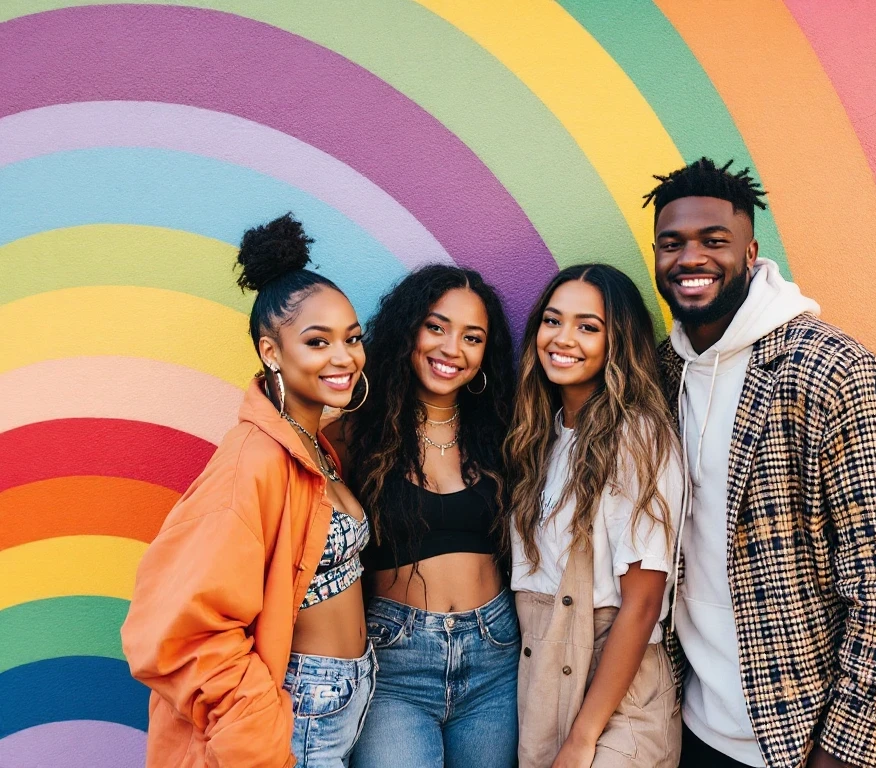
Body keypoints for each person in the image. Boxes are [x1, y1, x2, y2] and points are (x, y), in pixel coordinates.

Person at [645, 158, 876, 768]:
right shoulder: (661, 373)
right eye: (672, 244)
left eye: (714, 241)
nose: (690, 258)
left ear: (750, 253)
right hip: (691, 725)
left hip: (802, 743)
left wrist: (843, 751)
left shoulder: (834, 372)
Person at [121, 214, 374, 767]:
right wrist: (256, 734)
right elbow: (181, 629)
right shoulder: (251, 461)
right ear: (271, 352)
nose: (344, 357)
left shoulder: (312, 445)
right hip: (298, 711)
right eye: (318, 341)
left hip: (351, 696)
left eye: (352, 338)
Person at [507, 263, 684, 768]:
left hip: (616, 696)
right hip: (544, 677)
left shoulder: (638, 437)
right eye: (552, 320)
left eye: (588, 327)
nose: (563, 339)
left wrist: (584, 737)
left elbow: (643, 604)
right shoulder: (540, 433)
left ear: (618, 342)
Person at [343, 266, 519, 768]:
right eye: (436, 327)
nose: (451, 348)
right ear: (408, 331)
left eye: (472, 337)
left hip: (495, 656)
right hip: (395, 665)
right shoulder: (356, 434)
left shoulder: (504, 431)